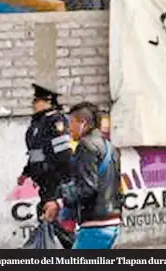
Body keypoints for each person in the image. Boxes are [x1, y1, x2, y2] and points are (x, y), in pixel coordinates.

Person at [41, 102, 123, 249]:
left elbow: (87, 187)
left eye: (71, 122)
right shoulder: (109, 146)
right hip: (112, 221)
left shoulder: (86, 146)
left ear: (83, 123)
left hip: (96, 225)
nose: (68, 128)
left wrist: (58, 203)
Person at [18, 82, 74, 248]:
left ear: (48, 102)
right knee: (46, 215)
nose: (34, 104)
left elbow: (64, 154)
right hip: (44, 180)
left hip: (55, 178)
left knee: (52, 217)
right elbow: (35, 153)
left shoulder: (55, 121)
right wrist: (26, 172)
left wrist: (65, 180)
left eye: (37, 100)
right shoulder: (37, 123)